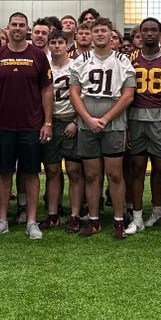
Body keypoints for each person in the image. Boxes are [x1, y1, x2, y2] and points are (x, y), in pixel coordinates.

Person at [0, 13, 53, 240]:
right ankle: (2, 220)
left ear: (28, 30)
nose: (18, 28)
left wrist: (48, 122)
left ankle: (32, 221)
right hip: (2, 125)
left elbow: (47, 90)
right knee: (4, 173)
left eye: (22, 25)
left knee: (31, 173)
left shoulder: (39, 56)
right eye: (14, 25)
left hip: (32, 126)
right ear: (8, 27)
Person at [69, 17, 135, 239]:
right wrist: (87, 119)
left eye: (103, 31)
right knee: (92, 174)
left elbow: (128, 95)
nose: (99, 34)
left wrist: (105, 118)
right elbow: (74, 94)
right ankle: (94, 219)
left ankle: (118, 219)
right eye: (95, 30)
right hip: (87, 121)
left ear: (110, 35)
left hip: (114, 121)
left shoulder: (123, 61)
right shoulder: (79, 61)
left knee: (115, 173)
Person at [125, 17, 161, 238]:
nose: (149, 33)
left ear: (160, 33)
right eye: (145, 30)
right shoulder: (129, 59)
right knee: (137, 171)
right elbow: (124, 95)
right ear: (139, 34)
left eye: (154, 30)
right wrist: (126, 126)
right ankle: (138, 218)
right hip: (136, 121)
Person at [42, 32, 82, 231]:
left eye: (60, 42)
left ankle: (75, 215)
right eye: (53, 42)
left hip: (71, 122)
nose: (57, 46)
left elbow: (85, 95)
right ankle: (53, 214)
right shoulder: (43, 65)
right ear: (48, 45)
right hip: (50, 122)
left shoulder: (76, 64)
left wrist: (76, 121)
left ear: (67, 44)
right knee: (52, 170)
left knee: (74, 171)